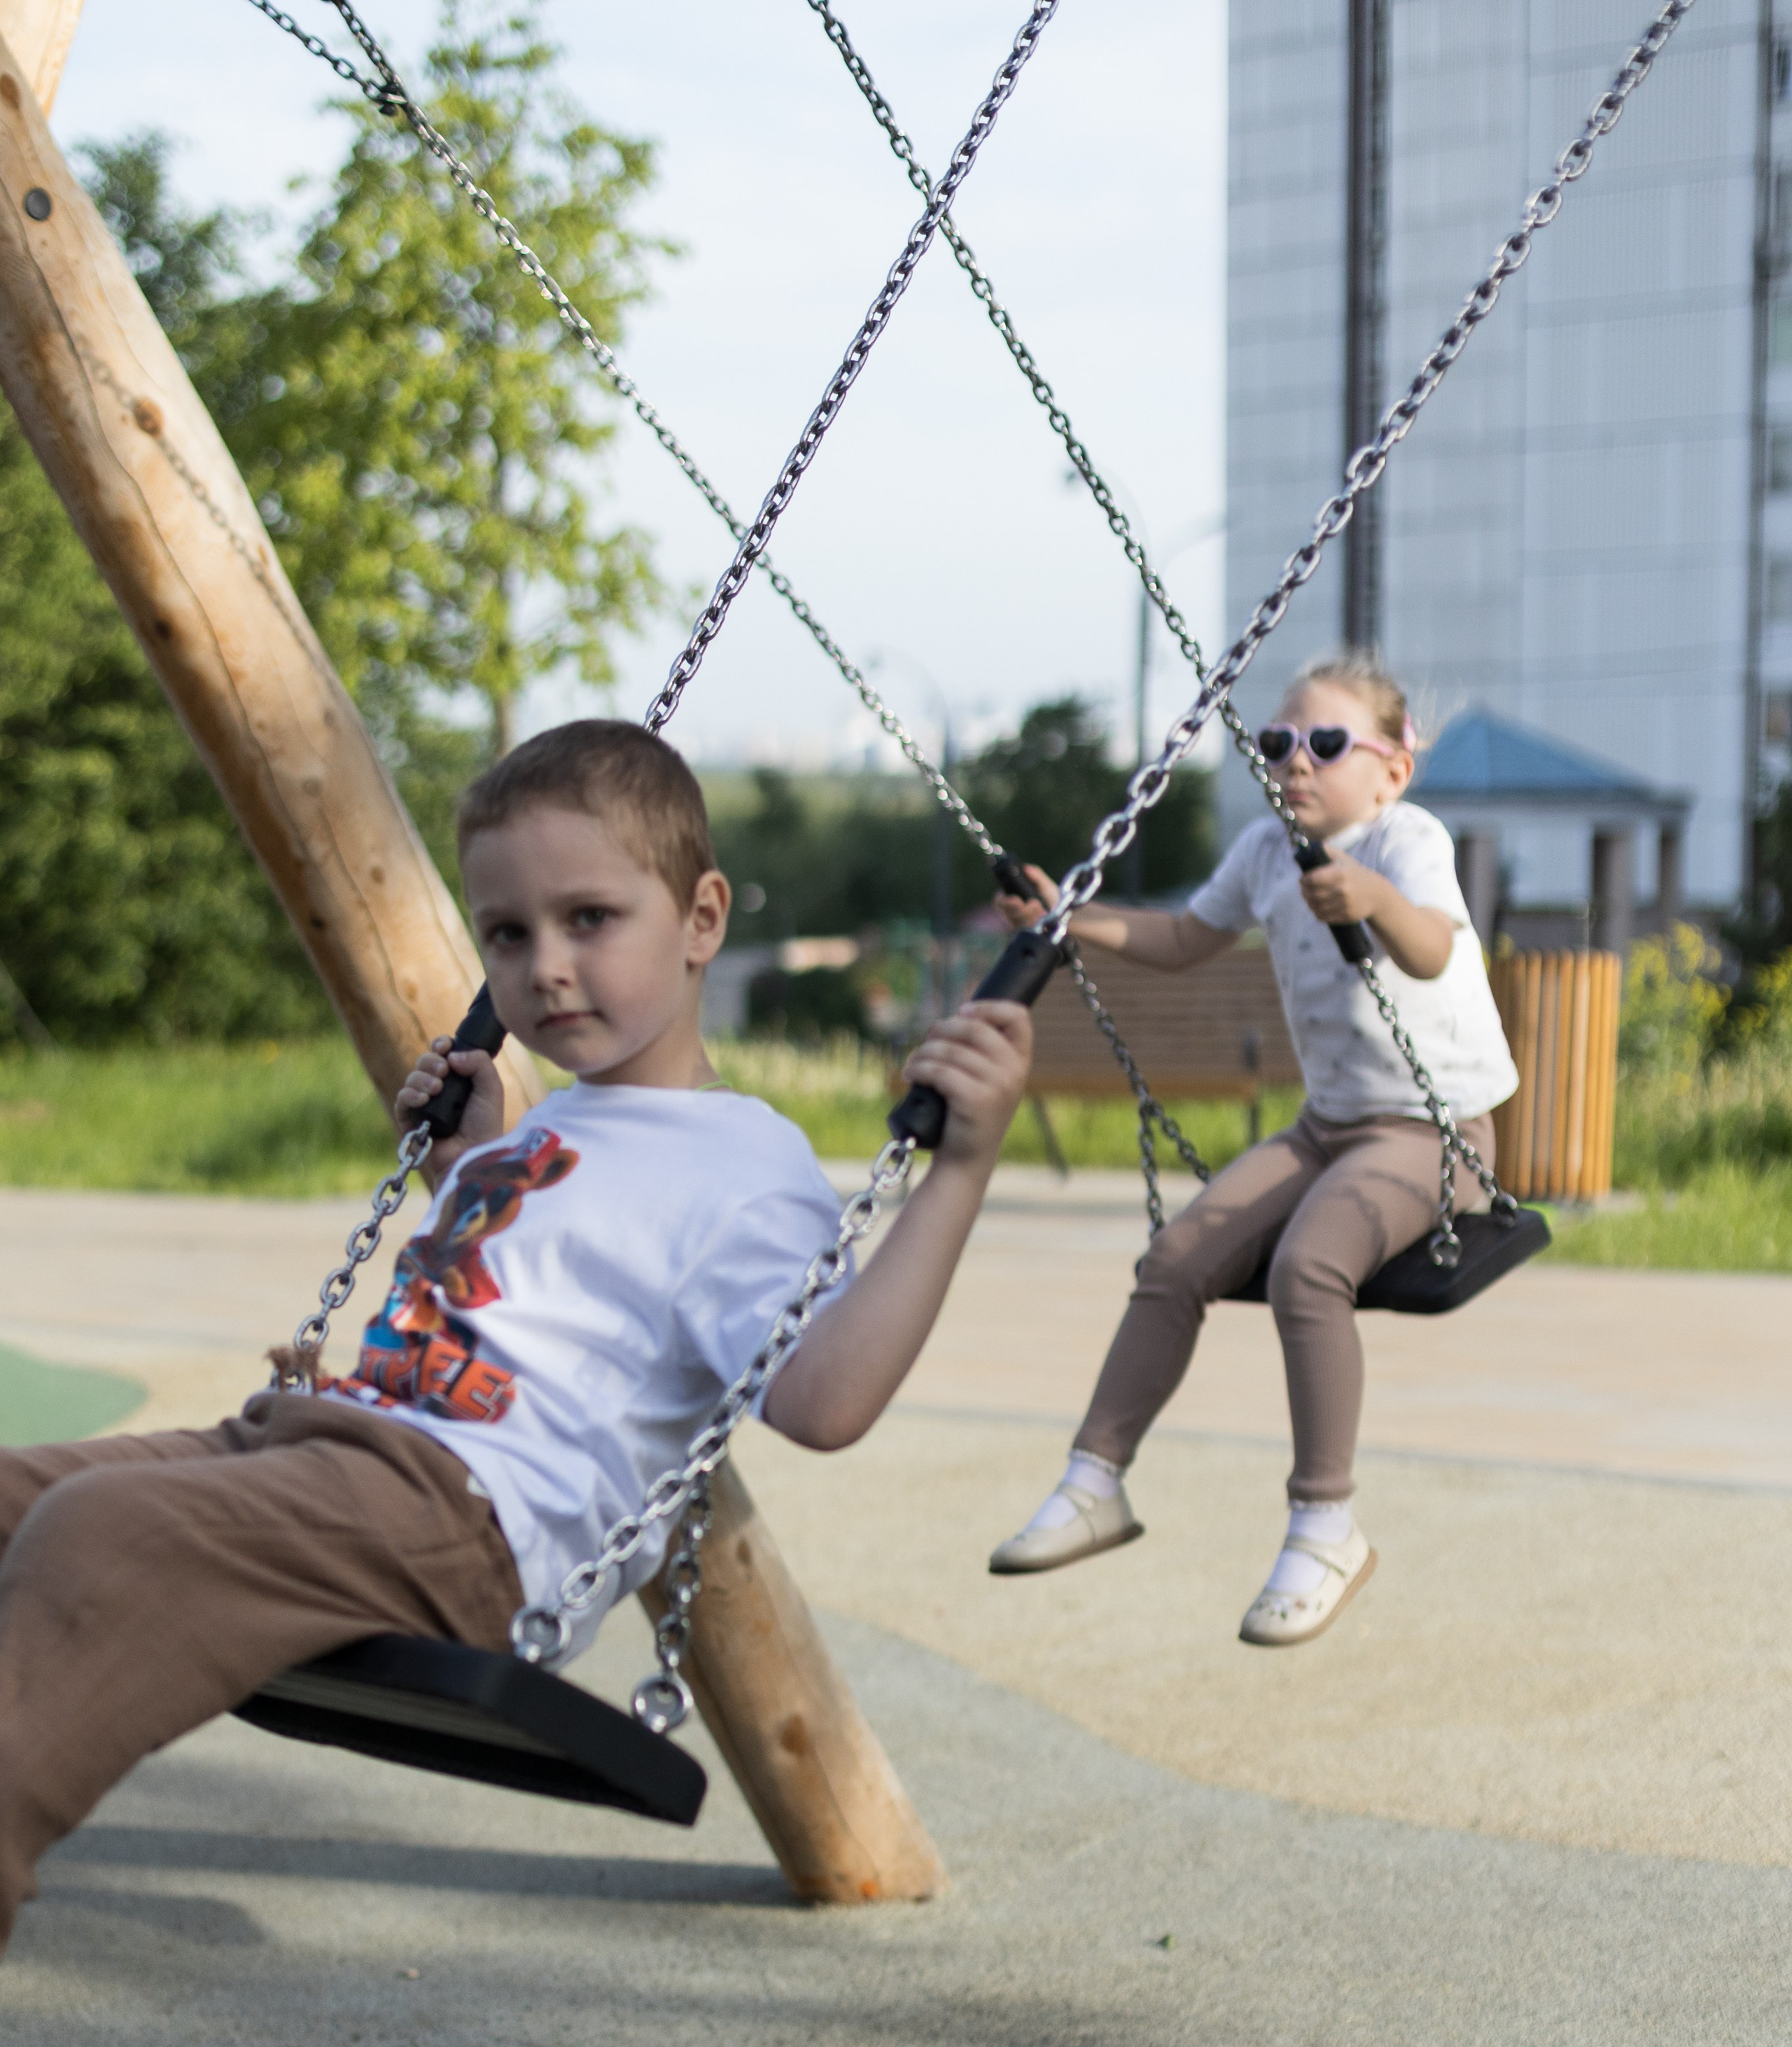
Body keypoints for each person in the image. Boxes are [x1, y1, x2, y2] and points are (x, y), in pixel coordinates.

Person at [0, 720, 1031, 1951]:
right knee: (17, 1498)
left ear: (702, 919)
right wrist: (469, 1167)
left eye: (590, 919)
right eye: (507, 933)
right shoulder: (550, 1126)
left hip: (466, 1517)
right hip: (326, 1448)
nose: (545, 967)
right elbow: (525, 1297)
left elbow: (823, 1401)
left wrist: (958, 1171)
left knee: (100, 1534)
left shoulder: (744, 1163)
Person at [988, 655, 1518, 1647]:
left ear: (1392, 770)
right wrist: (1066, 916)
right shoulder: (1267, 852)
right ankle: (1094, 1481)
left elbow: (1433, 949)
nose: (1294, 761)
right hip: (1329, 1126)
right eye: (1278, 743)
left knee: (1308, 1267)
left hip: (1436, 1133)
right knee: (1176, 1258)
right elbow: (1182, 940)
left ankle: (1325, 1524)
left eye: (1326, 743)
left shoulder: (1407, 840)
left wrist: (1371, 898)